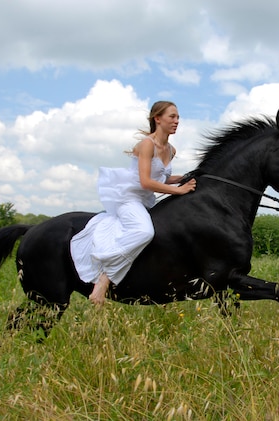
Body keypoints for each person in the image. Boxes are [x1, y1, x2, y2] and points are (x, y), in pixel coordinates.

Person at [70, 101, 196, 305]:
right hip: (129, 199)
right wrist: (178, 190)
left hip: (145, 201)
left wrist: (189, 177)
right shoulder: (147, 144)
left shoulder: (171, 150)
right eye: (172, 116)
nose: (176, 121)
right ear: (157, 119)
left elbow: (162, 178)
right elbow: (146, 181)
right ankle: (103, 281)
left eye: (178, 117)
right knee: (144, 232)